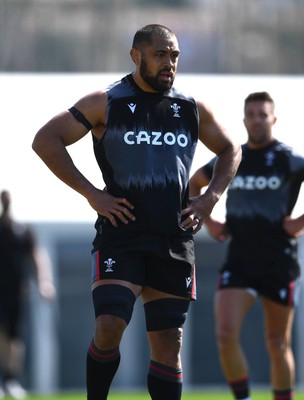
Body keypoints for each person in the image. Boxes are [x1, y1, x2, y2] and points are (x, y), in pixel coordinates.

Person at [32, 24, 241, 399]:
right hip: (121, 234)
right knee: (110, 324)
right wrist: (92, 193)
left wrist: (211, 197)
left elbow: (231, 149)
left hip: (173, 238)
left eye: (174, 56)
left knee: (167, 343)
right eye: (161, 54)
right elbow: (45, 140)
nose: (169, 63)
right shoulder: (105, 101)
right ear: (136, 55)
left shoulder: (190, 108)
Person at [190, 91, 304, 400]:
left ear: (273, 119)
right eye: (251, 115)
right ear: (244, 120)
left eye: (262, 114)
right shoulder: (232, 157)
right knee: (225, 334)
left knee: (277, 342)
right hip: (239, 258)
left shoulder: (289, 159)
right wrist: (209, 220)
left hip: (278, 261)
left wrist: (300, 222)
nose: (256, 120)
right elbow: (193, 183)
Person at [0, 190, 56, 400]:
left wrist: (44, 282)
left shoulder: (21, 230)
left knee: (14, 338)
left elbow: (37, 256)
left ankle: (10, 380)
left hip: (15, 291)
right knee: (2, 334)